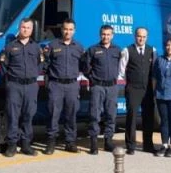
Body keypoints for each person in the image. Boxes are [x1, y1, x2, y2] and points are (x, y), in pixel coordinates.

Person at [0, 18, 44, 158]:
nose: (25, 29)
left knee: (28, 115)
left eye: (28, 27)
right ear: (19, 28)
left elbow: (41, 64)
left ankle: (25, 144)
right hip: (15, 85)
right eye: (23, 27)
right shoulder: (10, 47)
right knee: (13, 115)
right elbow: (3, 67)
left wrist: (33, 76)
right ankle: (12, 145)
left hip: (31, 86)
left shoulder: (36, 47)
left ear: (32, 29)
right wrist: (9, 82)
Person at [42, 18, 84, 155]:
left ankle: (70, 142)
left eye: (71, 29)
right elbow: (45, 65)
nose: (68, 32)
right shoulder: (52, 45)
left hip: (72, 84)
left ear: (74, 31)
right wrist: (49, 83)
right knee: (53, 114)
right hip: (56, 84)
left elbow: (83, 66)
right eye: (65, 29)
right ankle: (51, 142)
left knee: (71, 115)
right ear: (61, 30)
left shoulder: (79, 47)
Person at [82, 25, 122, 155]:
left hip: (112, 87)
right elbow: (85, 67)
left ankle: (108, 141)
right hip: (97, 86)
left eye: (108, 34)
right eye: (104, 34)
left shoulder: (117, 50)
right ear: (100, 35)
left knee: (111, 115)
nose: (106, 36)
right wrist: (92, 78)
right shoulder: (93, 49)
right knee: (95, 115)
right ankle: (93, 143)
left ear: (112, 35)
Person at [120, 27, 157, 155]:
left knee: (148, 118)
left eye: (144, 37)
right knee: (132, 117)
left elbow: (154, 70)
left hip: (148, 90)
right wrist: (131, 83)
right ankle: (131, 145)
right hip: (133, 89)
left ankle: (148, 145)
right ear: (135, 36)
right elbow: (122, 71)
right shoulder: (127, 50)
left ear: (147, 37)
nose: (141, 39)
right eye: (139, 36)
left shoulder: (152, 50)